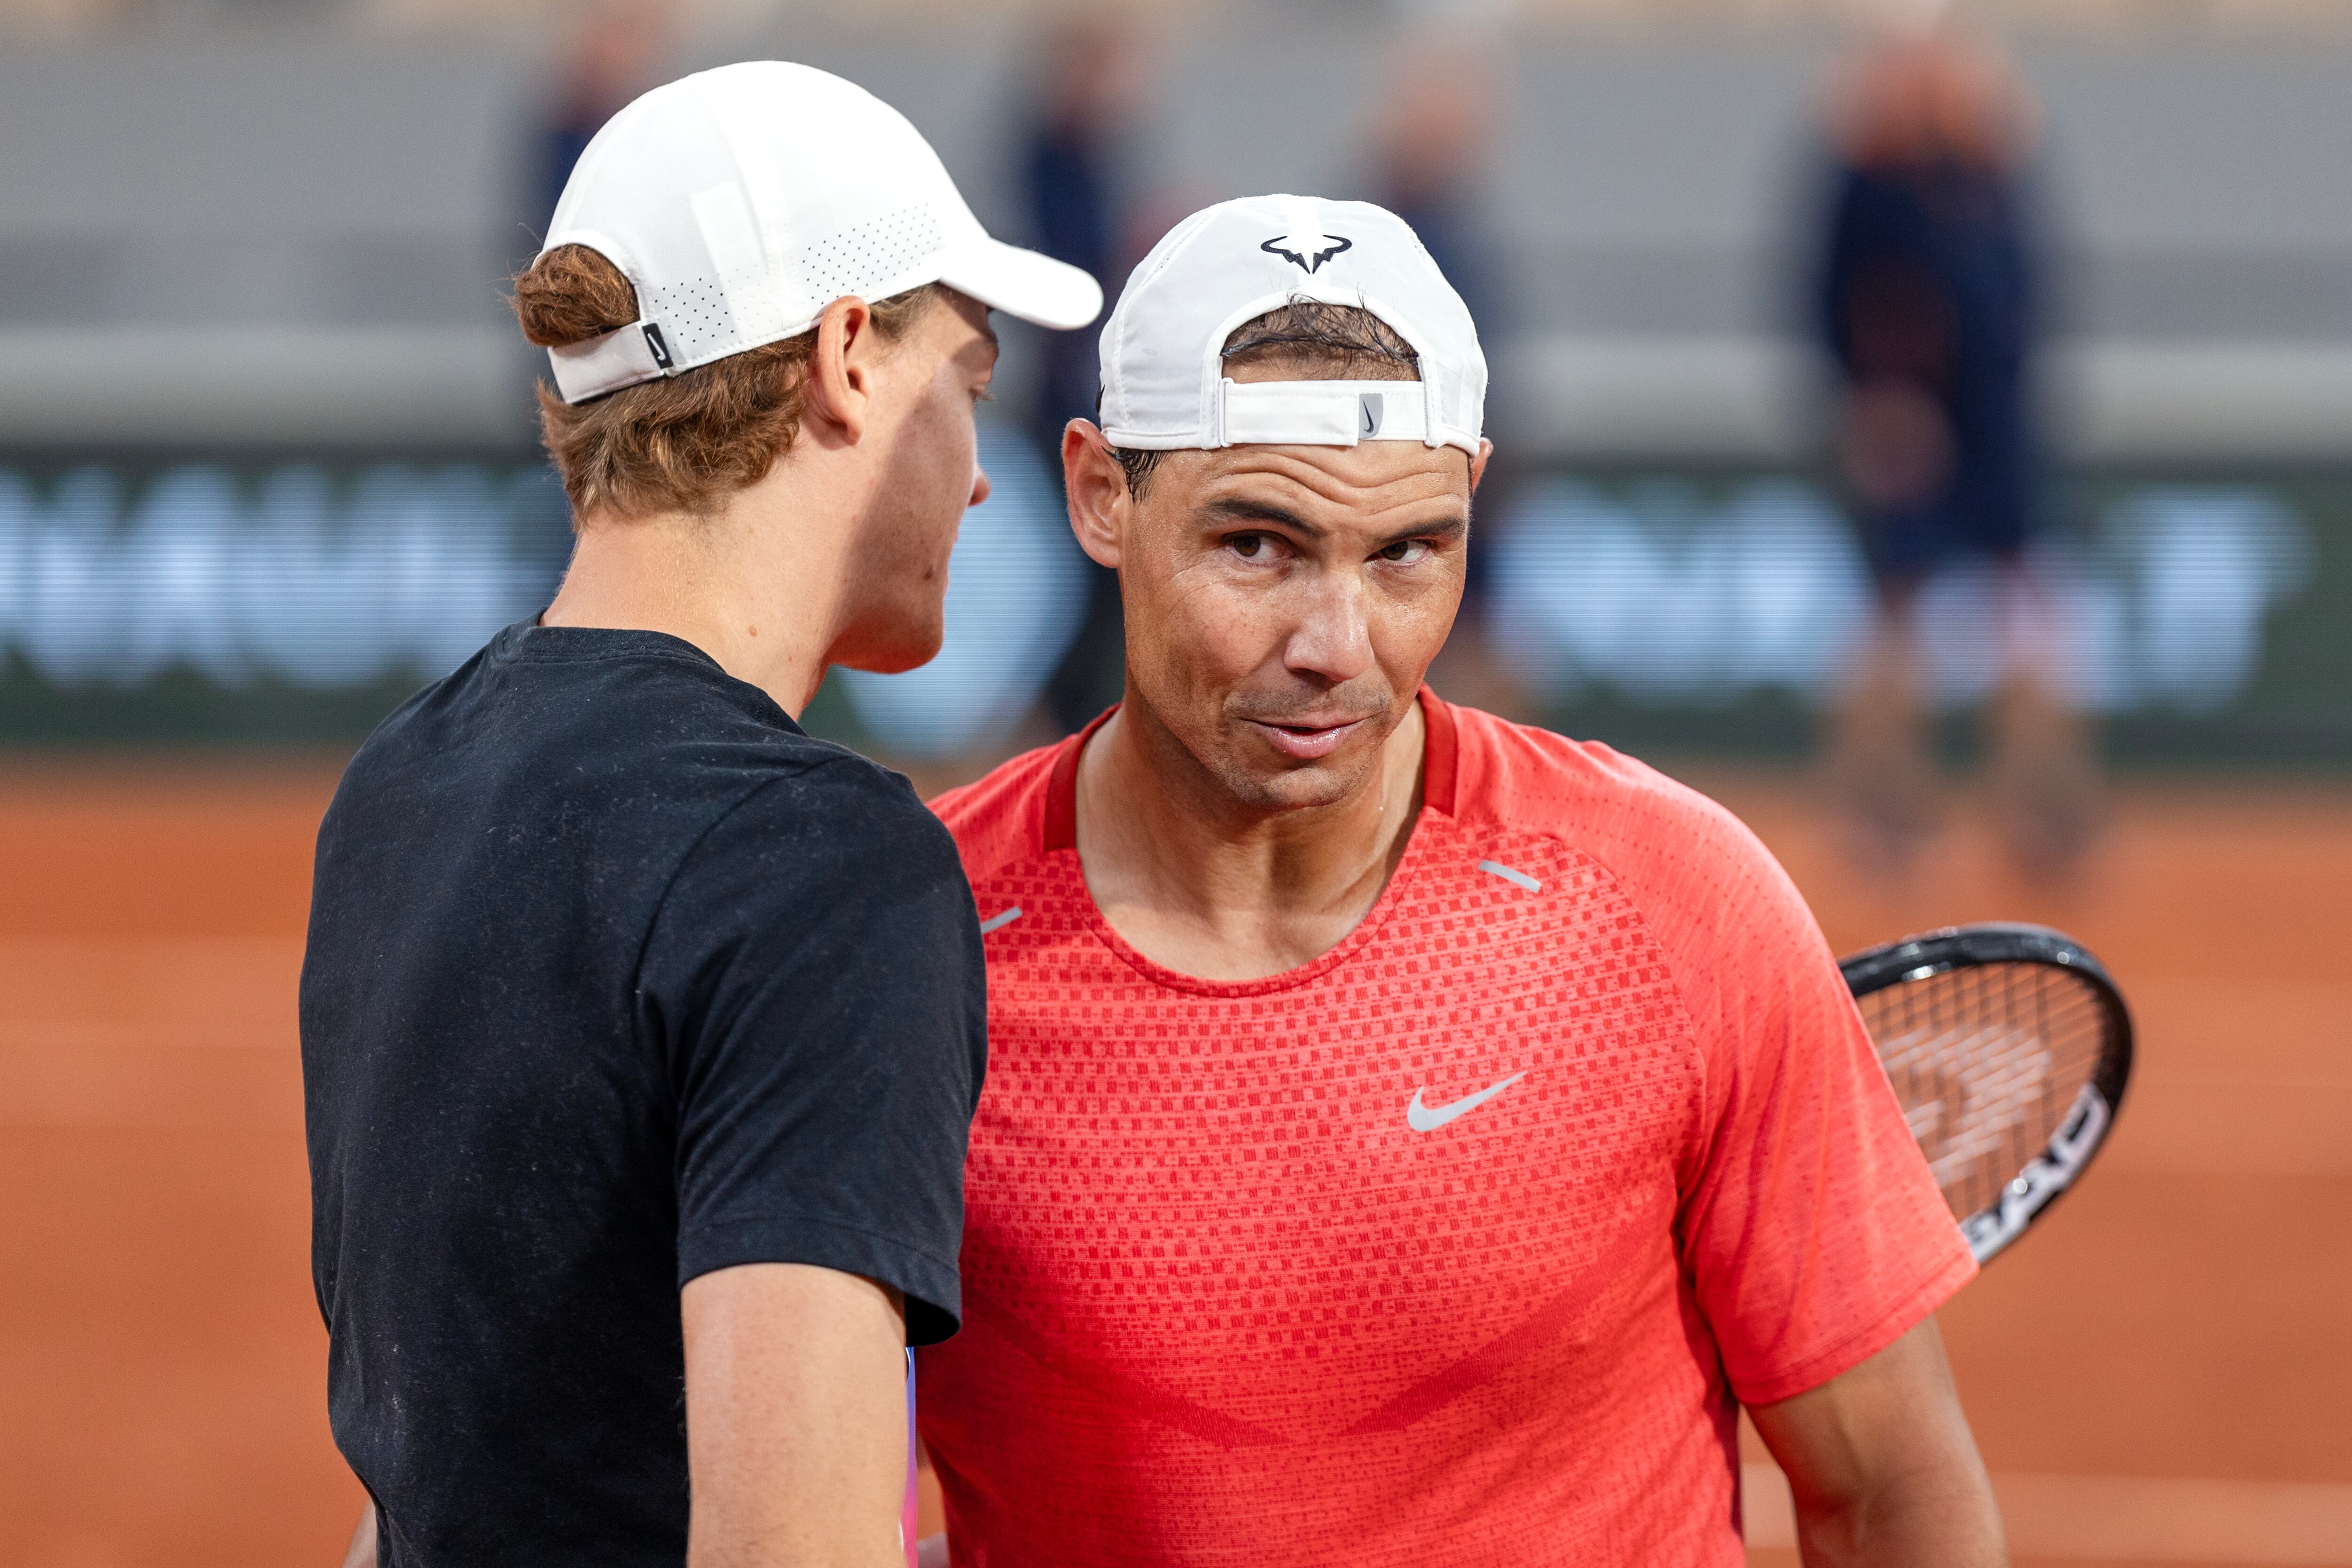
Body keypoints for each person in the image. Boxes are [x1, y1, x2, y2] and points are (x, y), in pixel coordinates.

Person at [914, 195, 2003, 1565]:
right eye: (1256, 545)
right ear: (1097, 492)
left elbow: (1892, 1491)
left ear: (1475, 500)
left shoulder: (1678, 899)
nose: (1335, 642)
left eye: (1407, 552)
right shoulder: (908, 941)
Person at [300, 62, 1099, 1568]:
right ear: (848, 356)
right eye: (971, 388)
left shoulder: (397, 781)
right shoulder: (821, 863)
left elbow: (424, 1476)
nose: (983, 481)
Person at [1811, 22, 2099, 876]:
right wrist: (1875, 404)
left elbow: (2024, 303)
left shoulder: (1988, 173)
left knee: (2034, 614)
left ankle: (2046, 816)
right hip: (1912, 431)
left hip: (2000, 429)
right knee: (1896, 625)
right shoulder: (1869, 176)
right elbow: (1834, 304)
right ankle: (1878, 812)